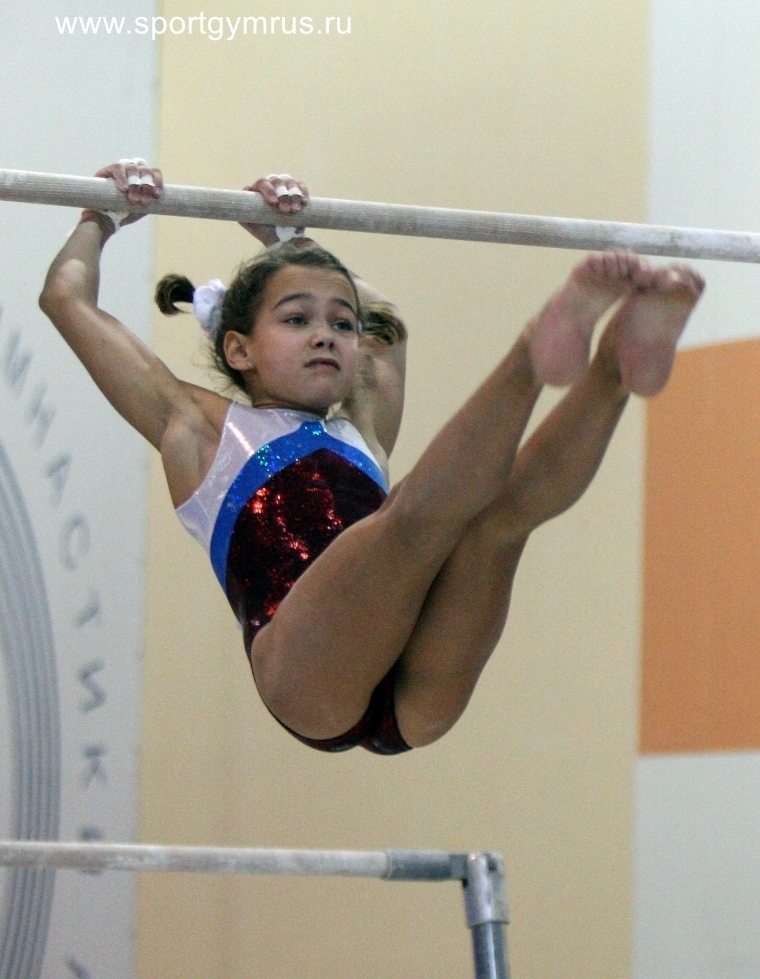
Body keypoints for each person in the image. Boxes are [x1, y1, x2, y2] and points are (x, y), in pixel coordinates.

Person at [39, 158, 704, 755]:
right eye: (297, 319)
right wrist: (101, 217)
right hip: (308, 677)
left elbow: (386, 320)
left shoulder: (361, 425)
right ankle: (534, 354)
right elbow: (65, 299)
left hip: (411, 675)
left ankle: (617, 367)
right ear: (238, 349)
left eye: (341, 324)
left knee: (496, 525)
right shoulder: (197, 428)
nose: (326, 335)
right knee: (411, 520)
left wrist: (291, 238)